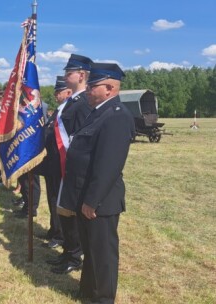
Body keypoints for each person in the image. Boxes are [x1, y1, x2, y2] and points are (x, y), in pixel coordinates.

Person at [62, 63, 135, 303]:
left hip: (100, 201)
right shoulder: (98, 112)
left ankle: (103, 298)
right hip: (86, 195)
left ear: (109, 88)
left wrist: (92, 201)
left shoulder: (117, 116)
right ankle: (87, 293)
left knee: (103, 255)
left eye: (93, 86)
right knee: (91, 251)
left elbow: (108, 165)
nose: (88, 90)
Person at [48, 54, 93, 275]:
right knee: (63, 211)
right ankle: (67, 252)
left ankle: (74, 256)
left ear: (82, 75)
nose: (66, 76)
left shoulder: (84, 102)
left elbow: (83, 136)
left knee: (70, 213)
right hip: (61, 165)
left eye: (69, 72)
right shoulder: (70, 102)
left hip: (72, 166)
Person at [40, 76, 72, 248]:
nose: (55, 95)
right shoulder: (58, 111)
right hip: (52, 164)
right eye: (55, 92)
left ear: (68, 92)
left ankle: (60, 236)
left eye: (58, 92)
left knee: (57, 200)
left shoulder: (67, 111)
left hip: (60, 164)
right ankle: (54, 230)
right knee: (52, 198)